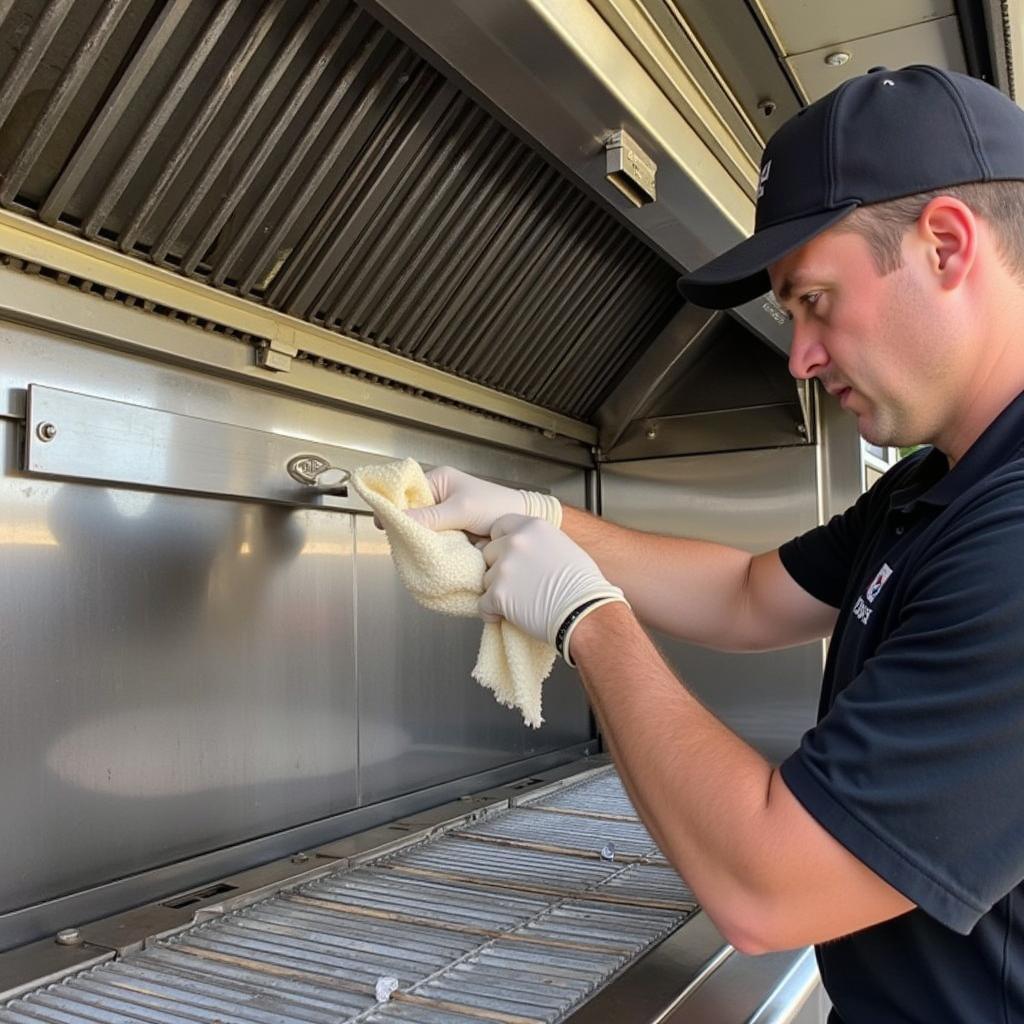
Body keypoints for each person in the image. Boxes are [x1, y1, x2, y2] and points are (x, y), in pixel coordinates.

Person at [401, 65, 1024, 1022]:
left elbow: (766, 889)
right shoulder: (943, 477)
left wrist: (584, 619)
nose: (804, 358)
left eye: (814, 301)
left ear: (945, 244)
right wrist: (540, 514)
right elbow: (746, 593)